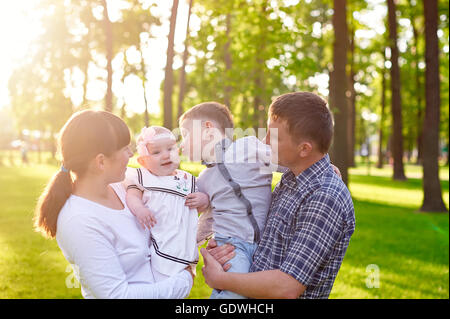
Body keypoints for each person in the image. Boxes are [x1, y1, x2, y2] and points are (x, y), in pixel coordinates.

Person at [201, 92, 355, 299]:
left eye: (273, 137)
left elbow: (287, 287)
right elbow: (268, 244)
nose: (264, 142)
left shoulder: (325, 197)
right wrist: (230, 246)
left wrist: (219, 279)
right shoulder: (290, 179)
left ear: (304, 149)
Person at [33, 110, 194, 299]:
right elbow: (117, 296)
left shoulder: (124, 187)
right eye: (125, 148)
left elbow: (172, 211)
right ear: (101, 161)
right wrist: (185, 277)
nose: (131, 153)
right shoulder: (78, 220)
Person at [179, 102, 275, 299]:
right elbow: (206, 219)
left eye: (185, 135)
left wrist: (319, 167)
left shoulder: (248, 147)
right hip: (232, 246)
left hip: (265, 245)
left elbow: (284, 161)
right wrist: (190, 247)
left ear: (207, 129)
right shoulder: (204, 179)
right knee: (232, 296)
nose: (181, 144)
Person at [123, 125, 209, 282]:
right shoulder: (145, 177)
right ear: (143, 161)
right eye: (156, 152)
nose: (165, 155)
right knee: (161, 289)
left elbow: (199, 208)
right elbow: (132, 195)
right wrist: (140, 209)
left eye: (170, 149)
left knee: (180, 286)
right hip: (159, 249)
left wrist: (204, 199)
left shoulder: (187, 179)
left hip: (184, 249)